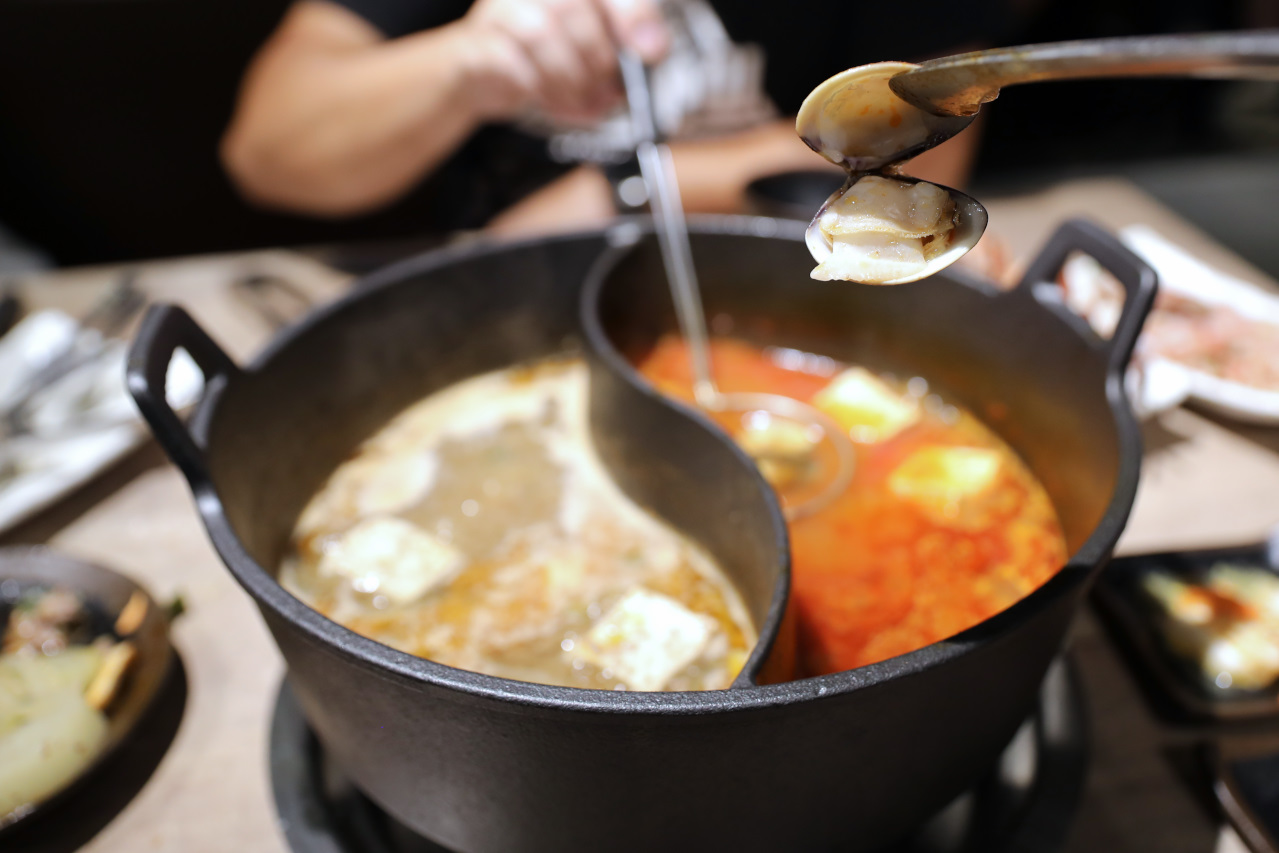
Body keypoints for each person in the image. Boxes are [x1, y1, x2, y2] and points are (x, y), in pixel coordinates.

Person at [222, 0, 985, 236]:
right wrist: (467, 61)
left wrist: (620, 187)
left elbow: (925, 149)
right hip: (497, 297)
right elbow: (269, 154)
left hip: (788, 279)